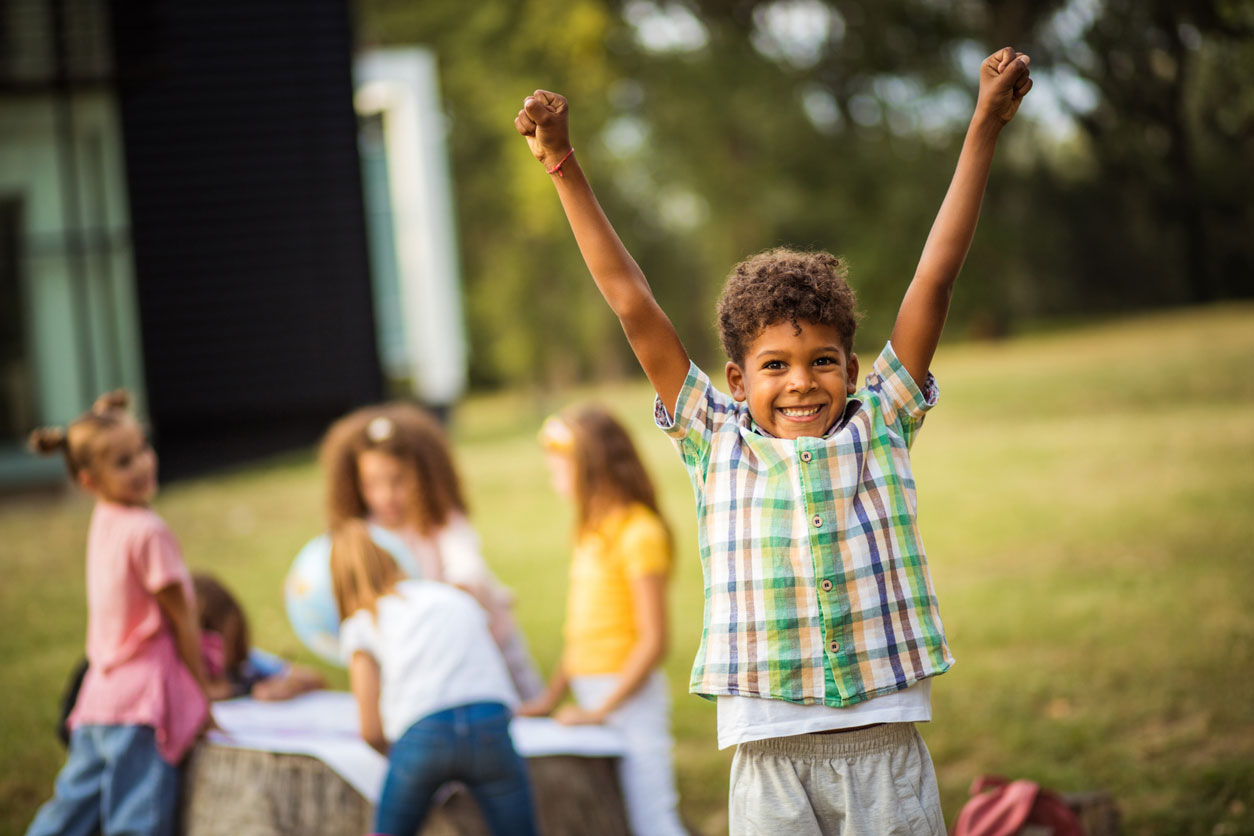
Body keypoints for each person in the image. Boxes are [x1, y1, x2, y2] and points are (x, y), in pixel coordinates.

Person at [515, 46, 1033, 835]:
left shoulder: (881, 421)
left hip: (883, 738)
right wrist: (562, 167)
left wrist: (982, 127)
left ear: (851, 368)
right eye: (776, 365)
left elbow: (935, 277)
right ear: (736, 379)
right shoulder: (711, 438)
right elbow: (632, 304)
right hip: (766, 752)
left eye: (823, 361)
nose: (801, 382)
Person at [25, 391, 211, 836]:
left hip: (98, 698)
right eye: (125, 462)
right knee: (136, 822)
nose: (144, 464)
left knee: (66, 816)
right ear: (89, 480)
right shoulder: (148, 531)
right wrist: (202, 692)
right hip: (140, 706)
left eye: (143, 450)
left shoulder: (106, 518)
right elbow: (182, 618)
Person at [520, 406, 686, 836]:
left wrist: (599, 711)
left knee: (653, 819)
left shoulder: (639, 532)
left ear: (591, 466)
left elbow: (653, 641)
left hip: (630, 700)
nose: (553, 475)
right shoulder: (591, 531)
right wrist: (549, 698)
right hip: (594, 697)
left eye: (560, 465)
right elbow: (581, 634)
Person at [329, 519, 539, 836]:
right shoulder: (447, 596)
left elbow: (370, 730)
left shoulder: (362, 622)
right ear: (394, 559)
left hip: (422, 731)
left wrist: (408, 762)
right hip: (490, 721)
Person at [320, 403, 542, 700]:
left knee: (524, 700)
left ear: (425, 476)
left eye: (398, 480)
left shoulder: (440, 520)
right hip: (423, 653)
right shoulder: (364, 535)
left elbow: (466, 568)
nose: (385, 495)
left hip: (489, 639)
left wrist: (455, 592)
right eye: (371, 483)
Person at [193, 573, 326, 701]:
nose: (232, 651)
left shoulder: (245, 667)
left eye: (234, 641)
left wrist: (290, 686)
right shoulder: (177, 680)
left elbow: (316, 678)